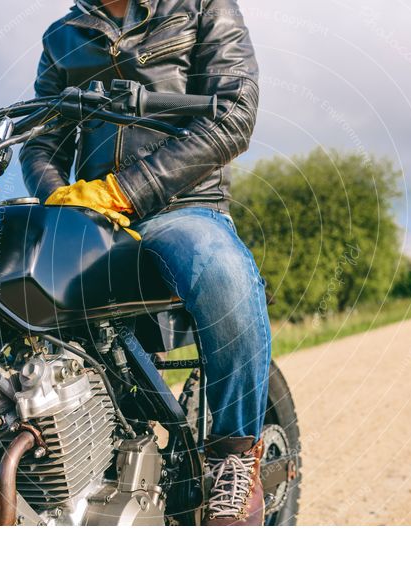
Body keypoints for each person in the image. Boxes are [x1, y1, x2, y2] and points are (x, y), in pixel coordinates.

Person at [19, 0, 268, 526]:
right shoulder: (62, 34)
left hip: (179, 207)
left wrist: (126, 191)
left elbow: (234, 114)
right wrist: (60, 200)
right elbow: (40, 140)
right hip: (89, 217)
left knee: (219, 270)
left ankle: (232, 459)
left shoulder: (202, 7)